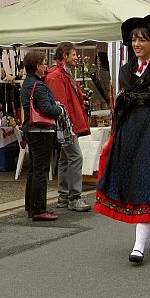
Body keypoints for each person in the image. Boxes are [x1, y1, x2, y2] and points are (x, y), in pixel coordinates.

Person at [95, 14, 150, 263]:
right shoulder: (126, 70)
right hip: (132, 130)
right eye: (134, 40)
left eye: (142, 40)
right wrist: (114, 135)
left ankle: (138, 246)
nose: (136, 44)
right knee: (141, 180)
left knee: (147, 178)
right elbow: (121, 105)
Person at [45, 42, 92, 212]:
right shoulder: (57, 75)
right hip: (66, 125)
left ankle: (63, 196)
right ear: (64, 56)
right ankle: (74, 197)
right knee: (76, 157)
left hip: (66, 124)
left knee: (66, 158)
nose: (76, 57)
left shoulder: (62, 73)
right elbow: (61, 104)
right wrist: (69, 126)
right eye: (73, 54)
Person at [21, 50, 65, 221]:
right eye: (44, 62)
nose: (46, 65)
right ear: (37, 66)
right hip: (41, 130)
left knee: (34, 170)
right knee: (41, 170)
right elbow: (46, 108)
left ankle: (31, 206)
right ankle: (39, 209)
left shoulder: (28, 83)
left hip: (31, 130)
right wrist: (59, 109)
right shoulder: (38, 85)